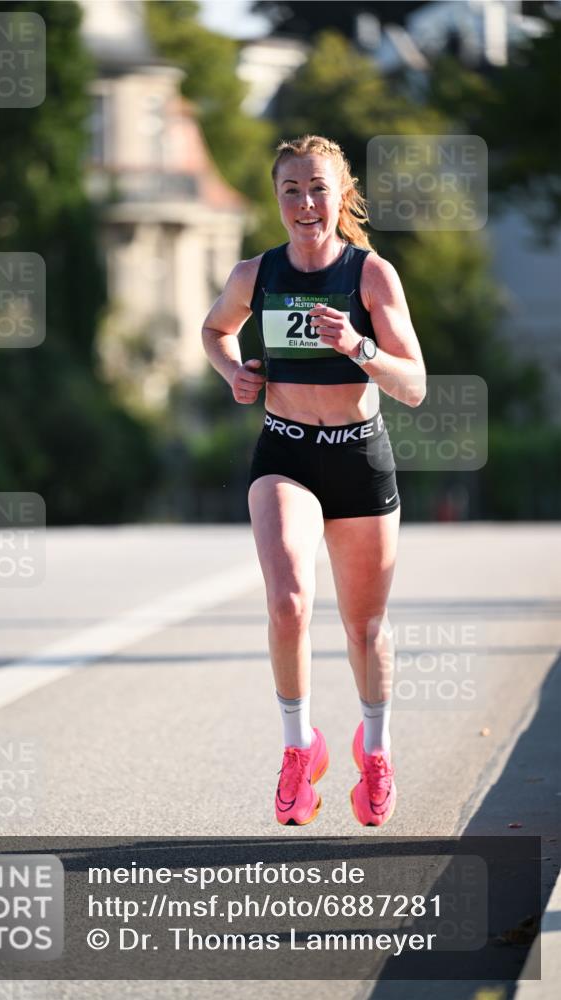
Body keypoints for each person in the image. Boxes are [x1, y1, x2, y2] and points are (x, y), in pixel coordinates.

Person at [201, 135, 426, 827]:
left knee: (364, 628)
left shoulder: (370, 275)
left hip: (359, 456)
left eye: (318, 188)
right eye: (291, 189)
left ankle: (376, 750)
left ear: (341, 194)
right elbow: (215, 331)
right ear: (277, 199)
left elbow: (413, 385)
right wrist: (233, 369)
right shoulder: (255, 273)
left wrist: (357, 347)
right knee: (290, 601)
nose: (305, 203)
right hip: (285, 453)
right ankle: (299, 749)